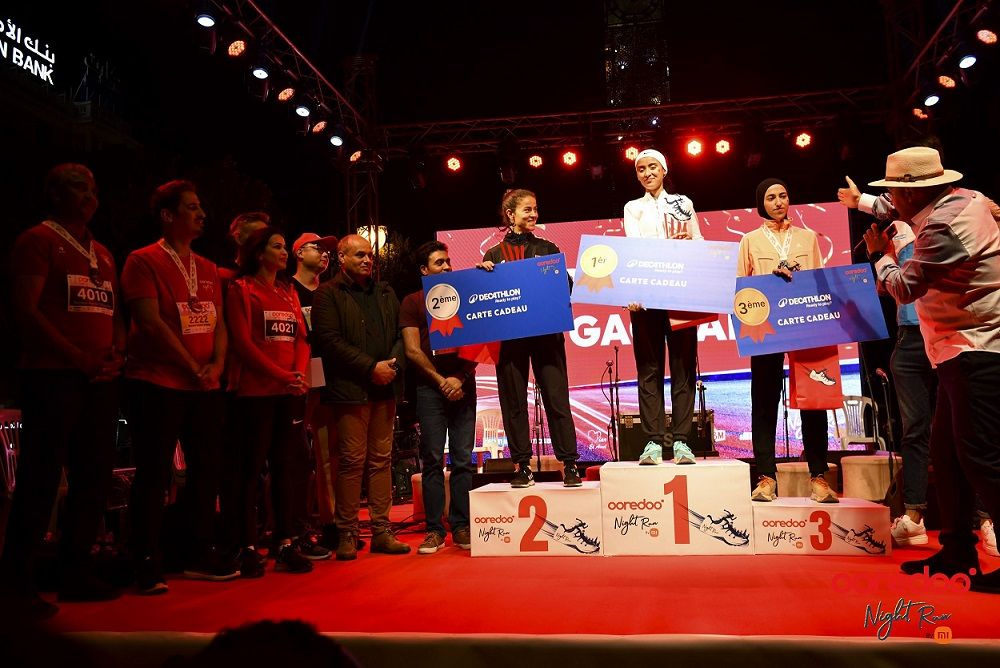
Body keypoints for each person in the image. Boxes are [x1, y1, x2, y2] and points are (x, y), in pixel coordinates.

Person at [862, 146, 1000, 592]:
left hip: (978, 348)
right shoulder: (963, 200)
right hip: (960, 350)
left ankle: (966, 547)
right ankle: (957, 550)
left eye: (893, 192)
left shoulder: (943, 224)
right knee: (948, 454)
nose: (890, 200)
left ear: (913, 193)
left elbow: (905, 288)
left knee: (982, 457)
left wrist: (879, 255)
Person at [0, 164, 125, 619]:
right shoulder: (37, 240)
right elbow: (25, 310)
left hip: (99, 380)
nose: (89, 195)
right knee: (42, 477)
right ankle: (15, 584)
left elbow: (114, 314)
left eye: (93, 188)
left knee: (94, 476)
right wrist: (77, 356)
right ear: (54, 194)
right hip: (52, 377)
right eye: (78, 187)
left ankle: (75, 572)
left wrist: (116, 354)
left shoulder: (103, 252)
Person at [122, 180, 237, 594]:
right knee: (154, 472)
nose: (202, 214)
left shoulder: (206, 266)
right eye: (192, 207)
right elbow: (149, 322)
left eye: (200, 206)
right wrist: (192, 366)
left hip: (204, 386)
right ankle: (144, 559)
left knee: (207, 469)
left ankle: (197, 552)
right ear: (168, 216)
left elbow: (218, 322)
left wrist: (216, 365)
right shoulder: (142, 260)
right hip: (157, 381)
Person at [311, 234, 411, 560]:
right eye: (359, 255)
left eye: (369, 255)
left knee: (381, 460)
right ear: (342, 258)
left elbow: (402, 334)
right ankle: (347, 533)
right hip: (349, 390)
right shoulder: (328, 294)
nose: (368, 260)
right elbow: (329, 341)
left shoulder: (385, 292)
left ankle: (381, 531)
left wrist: (391, 366)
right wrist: (371, 368)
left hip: (385, 387)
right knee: (352, 462)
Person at [738, 178, 838, 504]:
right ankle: (766, 478)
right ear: (761, 204)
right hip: (767, 328)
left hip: (804, 325)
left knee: (813, 400)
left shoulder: (808, 238)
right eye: (771, 197)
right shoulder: (750, 240)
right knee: (764, 402)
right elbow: (742, 287)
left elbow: (820, 280)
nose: (779, 202)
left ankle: (819, 478)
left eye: (783, 195)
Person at [479, 189, 582, 488]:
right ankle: (522, 466)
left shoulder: (548, 248)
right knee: (513, 402)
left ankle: (570, 464)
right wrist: (483, 277)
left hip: (547, 336)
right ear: (510, 214)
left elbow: (566, 289)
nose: (534, 214)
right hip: (510, 341)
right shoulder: (493, 255)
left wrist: (561, 277)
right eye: (527, 209)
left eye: (536, 209)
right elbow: (487, 299)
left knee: (556, 398)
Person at [225, 226, 313, 575]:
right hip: (254, 394)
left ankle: (285, 542)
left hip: (287, 394)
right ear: (259, 253)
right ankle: (246, 546)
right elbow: (242, 343)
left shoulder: (288, 291)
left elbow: (302, 339)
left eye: (284, 246)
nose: (284, 252)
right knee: (250, 471)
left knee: (285, 468)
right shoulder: (241, 289)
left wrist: (298, 374)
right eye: (277, 246)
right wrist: (281, 375)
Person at [623, 148, 702, 466]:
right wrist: (632, 290)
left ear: (664, 170)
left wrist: (688, 247)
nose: (647, 173)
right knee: (649, 370)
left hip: (681, 296)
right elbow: (632, 250)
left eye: (653, 166)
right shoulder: (632, 208)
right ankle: (653, 442)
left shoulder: (683, 203)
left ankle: (681, 441)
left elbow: (698, 241)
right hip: (646, 298)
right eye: (641, 169)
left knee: (683, 368)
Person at [400, 241, 478, 554]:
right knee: (433, 460)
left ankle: (460, 526)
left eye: (448, 261)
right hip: (430, 389)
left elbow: (480, 341)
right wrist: (441, 381)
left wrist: (459, 378)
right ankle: (434, 530)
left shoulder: (466, 295)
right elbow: (411, 350)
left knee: (462, 460)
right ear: (424, 270)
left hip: (463, 385)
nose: (446, 267)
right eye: (439, 263)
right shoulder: (412, 301)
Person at [286, 232, 340, 561]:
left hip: (329, 376)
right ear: (297, 252)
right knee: (292, 455)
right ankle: (287, 526)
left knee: (328, 456)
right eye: (317, 248)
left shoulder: (330, 292)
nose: (325, 254)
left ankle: (331, 523)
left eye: (328, 251)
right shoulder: (286, 289)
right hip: (296, 376)